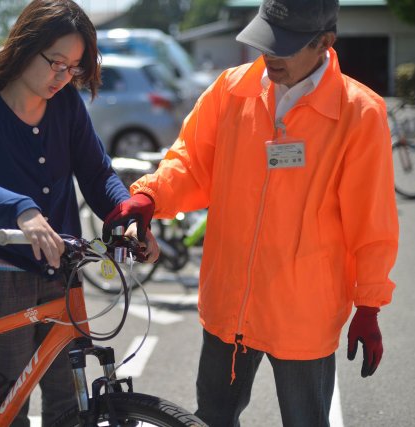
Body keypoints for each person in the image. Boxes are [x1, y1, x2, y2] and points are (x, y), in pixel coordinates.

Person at [102, 0, 399, 425]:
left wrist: (369, 304)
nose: (270, 56)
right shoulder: (232, 89)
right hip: (229, 302)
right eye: (266, 41)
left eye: (286, 46)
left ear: (324, 43)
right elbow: (189, 163)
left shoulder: (358, 113)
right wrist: (151, 195)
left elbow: (371, 218)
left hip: (303, 311)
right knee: (212, 419)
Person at [0, 1, 156, 425]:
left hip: (62, 269)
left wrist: (126, 217)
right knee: (10, 407)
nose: (63, 77)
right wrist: (20, 209)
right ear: (25, 47)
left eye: (74, 67)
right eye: (56, 62)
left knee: (70, 405)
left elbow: (97, 174)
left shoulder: (66, 106)